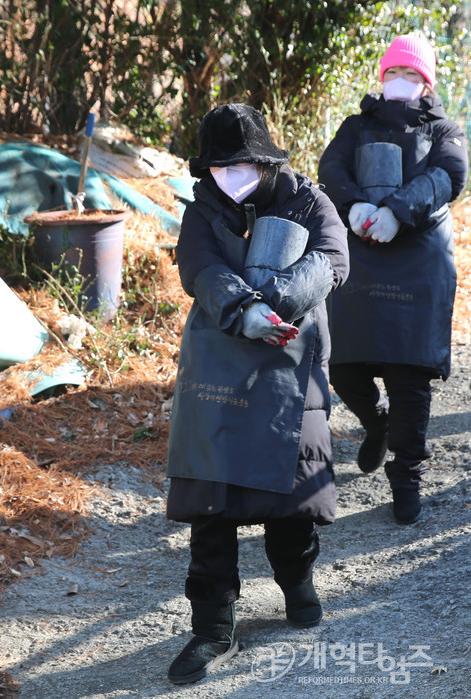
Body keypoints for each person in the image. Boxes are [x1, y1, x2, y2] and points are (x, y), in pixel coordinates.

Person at [164, 103, 349, 684]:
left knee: (287, 494)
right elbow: (197, 266)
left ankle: (297, 581)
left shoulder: (308, 200)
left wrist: (278, 298)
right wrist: (243, 308)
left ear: (266, 161)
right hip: (218, 360)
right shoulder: (203, 210)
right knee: (210, 502)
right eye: (220, 167)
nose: (230, 176)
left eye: (242, 164)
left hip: (290, 357)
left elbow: (332, 258)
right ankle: (212, 628)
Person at [318, 34, 468, 524]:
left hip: (419, 258)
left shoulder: (445, 130)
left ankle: (406, 476)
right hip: (361, 253)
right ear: (381, 78)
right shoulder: (356, 126)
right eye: (392, 73)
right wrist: (356, 203)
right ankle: (374, 421)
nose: (399, 82)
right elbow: (331, 167)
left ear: (426, 84)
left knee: (409, 377)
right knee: (345, 366)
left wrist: (399, 212)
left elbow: (447, 175)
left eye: (411, 75)